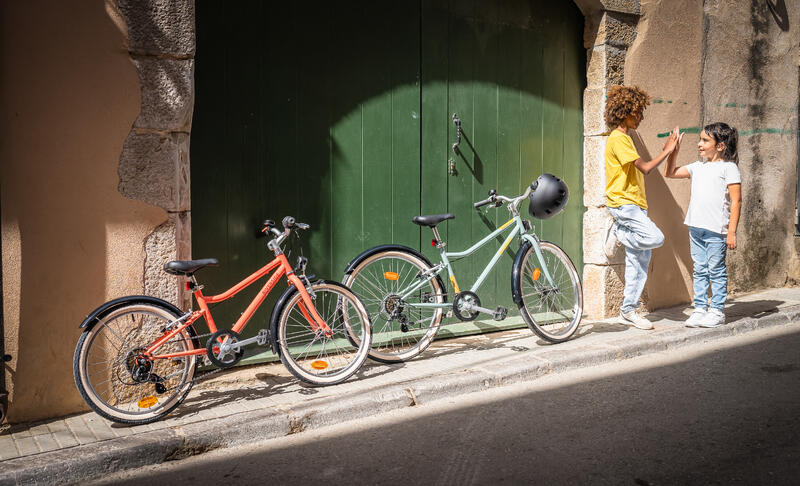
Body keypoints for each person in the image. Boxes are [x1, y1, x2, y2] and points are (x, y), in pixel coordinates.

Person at [603, 85, 679, 330]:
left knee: (639, 264)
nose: (641, 117)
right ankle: (618, 233)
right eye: (637, 112)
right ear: (624, 111)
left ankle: (628, 310)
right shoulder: (618, 138)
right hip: (624, 205)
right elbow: (645, 168)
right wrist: (667, 151)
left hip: (636, 204)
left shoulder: (626, 138)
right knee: (655, 238)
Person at [665, 122, 742, 327]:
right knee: (700, 269)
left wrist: (731, 232)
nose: (699, 144)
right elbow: (670, 172)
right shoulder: (697, 167)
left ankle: (717, 311)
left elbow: (736, 201)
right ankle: (700, 308)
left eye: (705, 140)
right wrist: (674, 151)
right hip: (696, 227)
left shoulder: (729, 168)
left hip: (717, 230)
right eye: (700, 139)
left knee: (716, 270)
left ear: (720, 146)